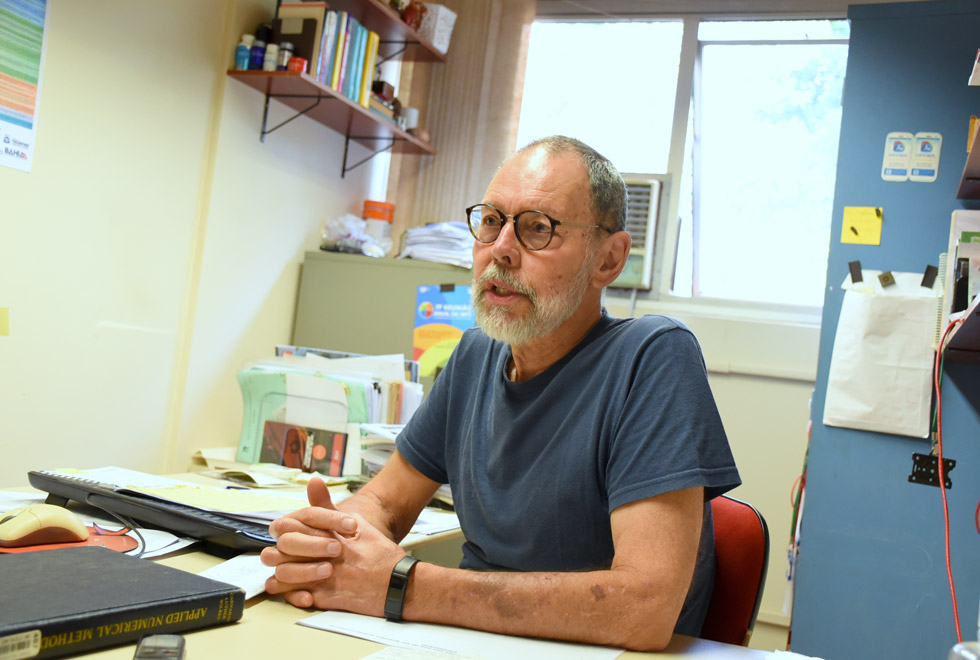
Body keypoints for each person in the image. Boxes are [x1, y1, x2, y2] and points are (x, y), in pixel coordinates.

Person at [260, 136, 740, 652]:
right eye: (491, 221)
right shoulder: (474, 355)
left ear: (608, 259)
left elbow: (642, 610)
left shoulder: (652, 356)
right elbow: (383, 500)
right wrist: (332, 542)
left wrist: (401, 584)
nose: (501, 250)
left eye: (538, 228)